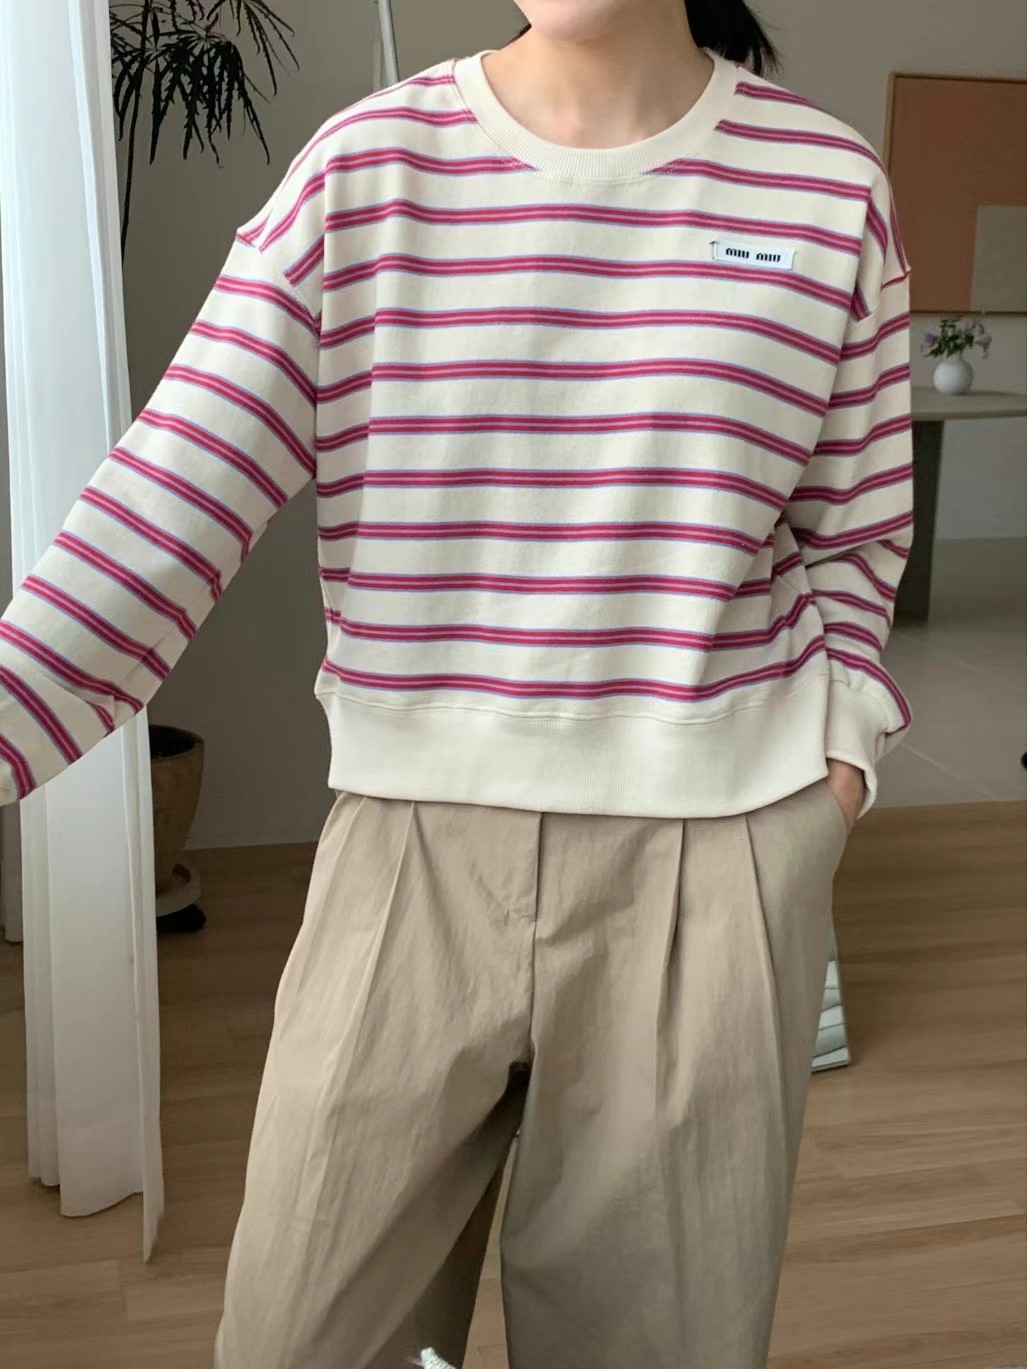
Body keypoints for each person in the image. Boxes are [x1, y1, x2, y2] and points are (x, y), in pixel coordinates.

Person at [0, 1, 914, 1365]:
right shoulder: (366, 170)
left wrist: (835, 763)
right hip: (408, 858)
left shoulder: (828, 186)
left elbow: (855, 533)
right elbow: (162, 511)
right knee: (299, 1336)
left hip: (714, 868)